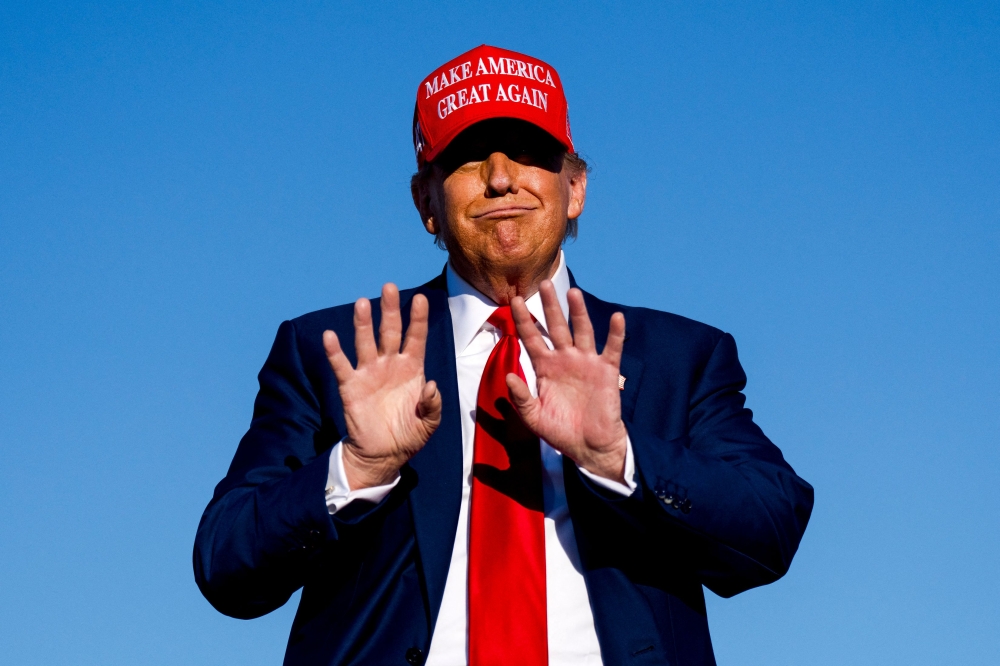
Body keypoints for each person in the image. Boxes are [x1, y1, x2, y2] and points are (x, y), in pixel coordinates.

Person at [193, 44, 814, 666]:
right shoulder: (335, 353)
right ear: (425, 203)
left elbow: (771, 526)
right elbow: (226, 566)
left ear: (575, 188)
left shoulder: (682, 357)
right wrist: (355, 470)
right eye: (468, 156)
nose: (500, 176)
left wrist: (619, 457)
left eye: (528, 152)